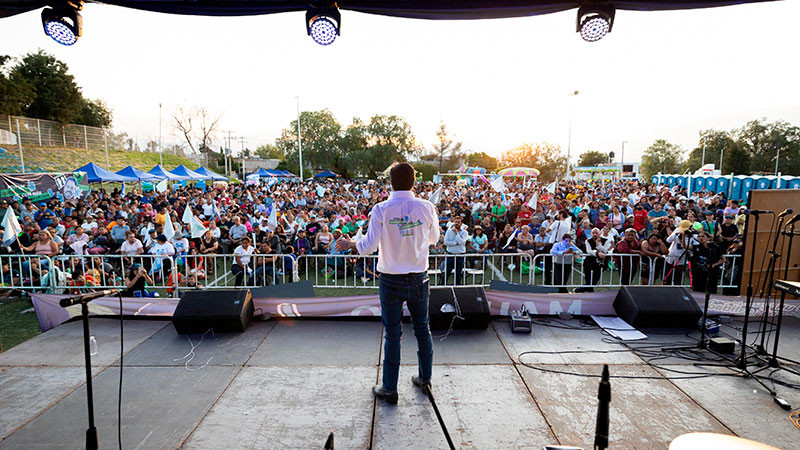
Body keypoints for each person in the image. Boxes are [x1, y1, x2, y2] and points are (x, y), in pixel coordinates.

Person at [335, 163, 439, 405]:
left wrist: (352, 244)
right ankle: (425, 379)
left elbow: (369, 246)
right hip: (418, 276)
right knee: (422, 328)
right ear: (414, 181)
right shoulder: (426, 207)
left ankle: (390, 389)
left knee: (393, 334)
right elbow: (434, 239)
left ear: (391, 182)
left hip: (391, 278)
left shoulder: (381, 209)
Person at [443, 216, 468, 285]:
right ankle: (443, 285)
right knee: (447, 271)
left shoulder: (464, 232)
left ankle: (457, 286)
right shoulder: (449, 231)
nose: (457, 223)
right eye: (456, 222)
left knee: (458, 272)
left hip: (460, 255)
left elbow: (462, 242)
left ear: (461, 223)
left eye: (458, 222)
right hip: (450, 254)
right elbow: (445, 242)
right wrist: (454, 243)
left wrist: (457, 233)